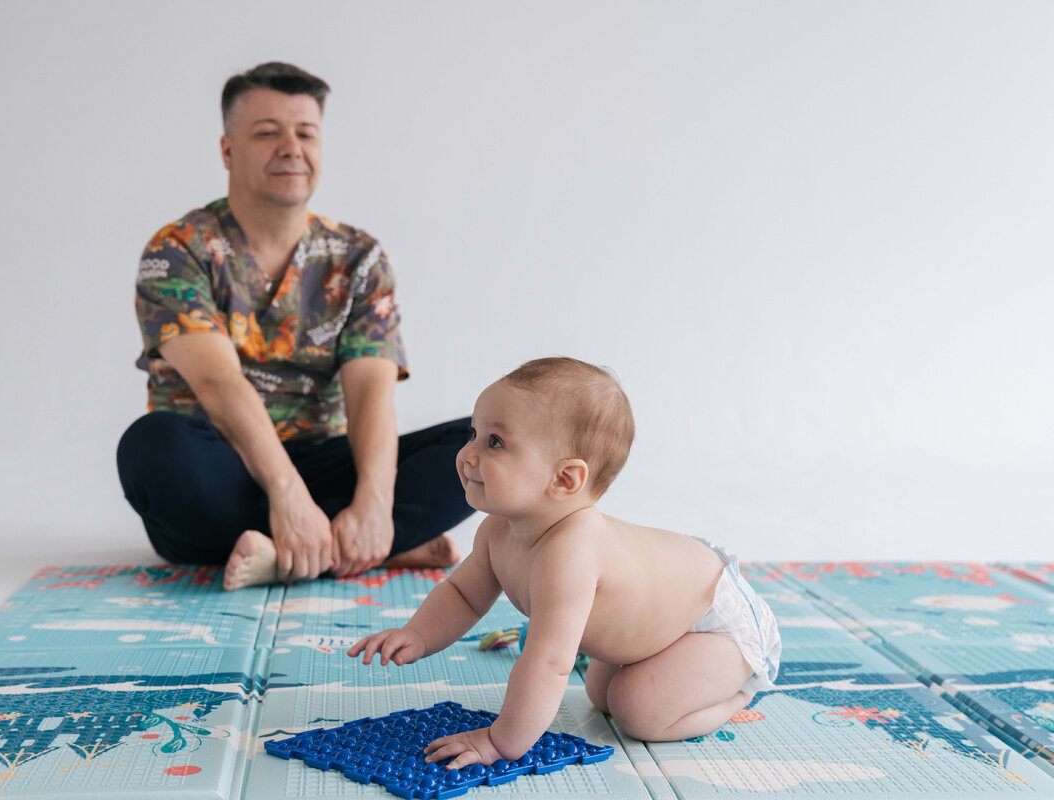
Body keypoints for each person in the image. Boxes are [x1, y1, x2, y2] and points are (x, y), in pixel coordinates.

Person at [117, 62, 474, 588]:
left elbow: (370, 395)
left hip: (325, 459)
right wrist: (286, 494)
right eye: (267, 133)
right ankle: (371, 546)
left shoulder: (358, 256)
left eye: (305, 133)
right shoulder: (178, 250)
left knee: (487, 442)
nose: (291, 148)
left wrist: (374, 503)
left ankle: (301, 549)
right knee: (151, 449)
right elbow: (218, 384)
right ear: (227, 151)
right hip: (223, 464)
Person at [347, 357, 781, 766]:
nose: (468, 455)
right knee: (600, 694)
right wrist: (418, 635)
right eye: (473, 434)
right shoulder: (498, 530)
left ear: (565, 479)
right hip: (666, 614)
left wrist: (500, 741)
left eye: (494, 442)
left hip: (712, 620)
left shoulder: (571, 552)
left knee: (637, 711)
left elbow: (548, 664)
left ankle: (737, 693)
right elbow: (463, 595)